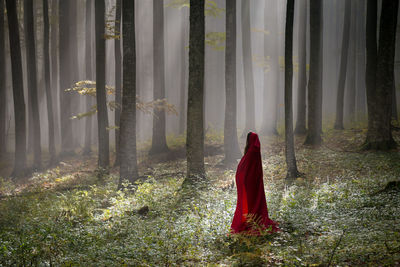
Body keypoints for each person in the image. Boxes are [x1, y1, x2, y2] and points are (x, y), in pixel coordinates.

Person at [230, 132, 279, 235]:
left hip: (249, 182)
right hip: (253, 182)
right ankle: (252, 220)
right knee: (253, 201)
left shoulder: (252, 150)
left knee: (250, 201)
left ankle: (251, 220)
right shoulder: (255, 149)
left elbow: (245, 167)